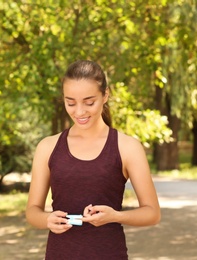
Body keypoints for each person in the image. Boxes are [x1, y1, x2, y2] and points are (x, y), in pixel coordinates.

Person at [26, 60, 161, 259]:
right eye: (70, 102)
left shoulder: (127, 147)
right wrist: (47, 219)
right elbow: (32, 212)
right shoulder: (47, 147)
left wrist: (115, 216)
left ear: (105, 95)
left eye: (89, 102)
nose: (79, 111)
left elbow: (152, 213)